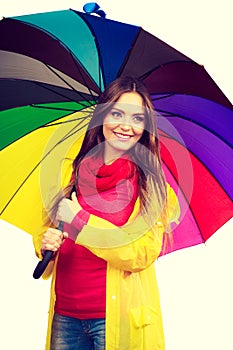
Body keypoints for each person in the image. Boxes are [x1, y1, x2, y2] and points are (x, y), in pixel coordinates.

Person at [33, 76, 180, 350]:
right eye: (117, 114)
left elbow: (141, 254)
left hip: (117, 319)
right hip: (66, 315)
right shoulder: (70, 171)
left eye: (138, 118)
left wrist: (82, 222)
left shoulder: (151, 185)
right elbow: (47, 228)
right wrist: (47, 243)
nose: (126, 126)